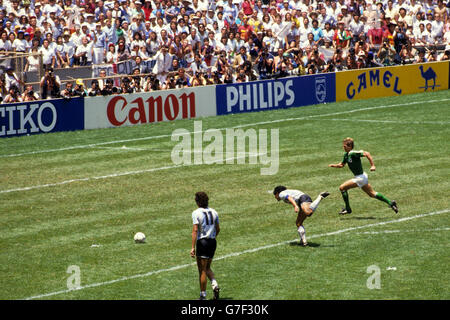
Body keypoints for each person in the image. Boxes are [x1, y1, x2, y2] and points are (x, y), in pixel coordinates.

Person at [328, 137, 398, 215]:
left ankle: (348, 209)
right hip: (361, 177)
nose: (343, 147)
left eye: (345, 146)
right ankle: (391, 203)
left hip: (360, 178)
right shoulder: (346, 155)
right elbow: (341, 165)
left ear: (350, 146)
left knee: (342, 188)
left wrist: (373, 165)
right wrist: (334, 165)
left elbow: (367, 153)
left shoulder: (353, 153)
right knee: (372, 194)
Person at [190, 191, 220, 300]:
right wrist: (212, 238)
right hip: (212, 242)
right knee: (207, 267)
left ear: (197, 202)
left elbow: (195, 230)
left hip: (202, 242)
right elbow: (218, 229)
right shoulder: (214, 212)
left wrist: (193, 247)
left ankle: (203, 296)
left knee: (202, 270)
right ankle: (214, 284)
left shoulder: (196, 213)